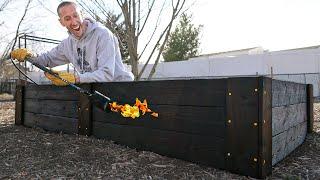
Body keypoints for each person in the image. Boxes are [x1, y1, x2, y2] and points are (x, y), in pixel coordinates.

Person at [11, 1, 134, 85]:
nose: (74, 22)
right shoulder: (68, 45)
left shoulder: (102, 35)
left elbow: (107, 75)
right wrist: (29, 56)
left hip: (122, 90)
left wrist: (75, 78)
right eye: (67, 18)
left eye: (75, 15)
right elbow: (46, 59)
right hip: (97, 92)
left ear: (82, 14)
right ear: (61, 22)